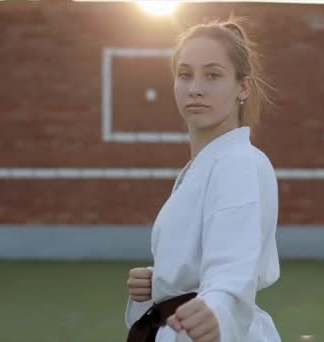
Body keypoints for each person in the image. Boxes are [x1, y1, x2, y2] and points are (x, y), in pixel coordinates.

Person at [125, 17, 280, 342]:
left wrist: (218, 308)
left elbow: (231, 267)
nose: (195, 87)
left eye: (212, 75)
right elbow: (199, 262)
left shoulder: (237, 162)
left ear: (243, 86)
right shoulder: (201, 168)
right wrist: (160, 283)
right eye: (185, 74)